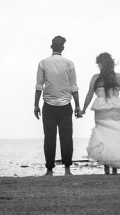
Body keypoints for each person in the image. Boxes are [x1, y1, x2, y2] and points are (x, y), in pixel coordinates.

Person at [34, 35, 83, 176]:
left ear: (51, 47)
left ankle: (49, 170)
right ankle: (67, 170)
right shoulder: (69, 63)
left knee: (49, 138)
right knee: (66, 137)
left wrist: (35, 105)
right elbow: (74, 87)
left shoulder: (43, 63)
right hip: (65, 105)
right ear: (63, 48)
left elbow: (39, 86)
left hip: (48, 105)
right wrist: (78, 106)